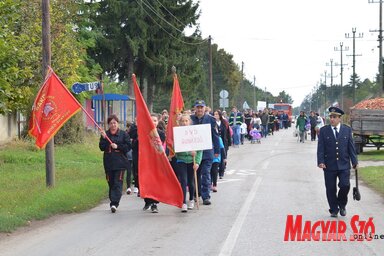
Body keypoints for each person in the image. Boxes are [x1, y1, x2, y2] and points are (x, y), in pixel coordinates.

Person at [317, 106, 358, 218]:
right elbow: (321, 148)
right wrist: (321, 161)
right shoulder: (324, 131)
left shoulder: (347, 130)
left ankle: (342, 204)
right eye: (331, 117)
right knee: (330, 188)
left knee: (345, 185)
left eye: (334, 117)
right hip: (329, 165)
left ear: (340, 118)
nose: (332, 119)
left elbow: (351, 147)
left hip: (344, 164)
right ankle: (334, 209)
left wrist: (354, 161)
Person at [99, 114, 131, 213]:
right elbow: (101, 147)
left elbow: (128, 147)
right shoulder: (106, 134)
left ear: (118, 123)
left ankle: (114, 203)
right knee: (111, 183)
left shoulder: (123, 134)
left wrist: (118, 146)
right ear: (109, 124)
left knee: (118, 182)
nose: (113, 125)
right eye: (111, 123)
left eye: (115, 123)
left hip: (120, 163)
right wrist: (104, 138)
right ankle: (113, 199)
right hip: (109, 163)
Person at [191, 100, 220, 205]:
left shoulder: (211, 120)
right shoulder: (190, 119)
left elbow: (215, 136)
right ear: (195, 108)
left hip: (207, 152)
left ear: (204, 108)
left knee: (206, 173)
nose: (199, 109)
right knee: (196, 174)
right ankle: (196, 194)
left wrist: (217, 150)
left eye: (201, 107)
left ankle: (206, 196)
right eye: (197, 107)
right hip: (194, 152)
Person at [174, 114, 202, 212]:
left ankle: (191, 199)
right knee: (183, 181)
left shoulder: (194, 133)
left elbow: (200, 150)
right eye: (183, 121)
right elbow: (176, 149)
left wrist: (197, 162)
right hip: (181, 160)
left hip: (191, 161)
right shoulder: (177, 133)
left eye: (186, 121)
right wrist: (186, 151)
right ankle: (183, 202)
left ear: (189, 122)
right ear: (180, 122)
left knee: (191, 181)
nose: (185, 123)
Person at [141, 113, 165, 213]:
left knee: (156, 181)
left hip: (157, 161)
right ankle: (148, 200)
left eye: (155, 120)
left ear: (158, 122)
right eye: (151, 120)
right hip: (146, 161)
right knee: (147, 181)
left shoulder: (161, 133)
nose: (153, 122)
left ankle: (155, 203)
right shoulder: (143, 133)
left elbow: (160, 146)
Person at [125, 121, 134, 194]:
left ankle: (136, 184)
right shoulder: (124, 134)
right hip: (127, 156)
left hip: (133, 155)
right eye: (128, 128)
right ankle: (128, 187)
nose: (129, 129)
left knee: (134, 171)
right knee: (128, 171)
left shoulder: (134, 135)